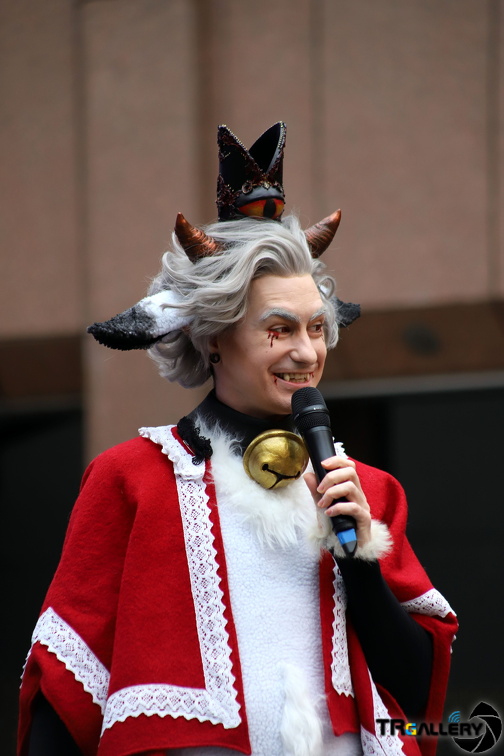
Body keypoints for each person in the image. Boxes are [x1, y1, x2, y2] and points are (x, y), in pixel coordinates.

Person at [18, 123, 457, 756]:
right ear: (214, 337)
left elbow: (415, 700)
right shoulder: (130, 478)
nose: (307, 353)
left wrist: (360, 560)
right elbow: (65, 686)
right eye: (280, 330)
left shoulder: (369, 492)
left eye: (316, 328)